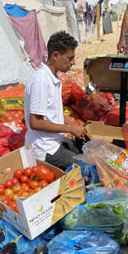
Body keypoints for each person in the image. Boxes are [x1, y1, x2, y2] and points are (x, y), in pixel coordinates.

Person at [24, 31, 90, 171]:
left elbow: (53, 114)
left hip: (54, 142)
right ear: (55, 55)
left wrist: (77, 127)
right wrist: (71, 129)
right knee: (88, 167)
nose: (73, 62)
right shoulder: (41, 81)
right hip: (45, 150)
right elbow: (35, 122)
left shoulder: (54, 77)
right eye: (70, 58)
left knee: (87, 149)